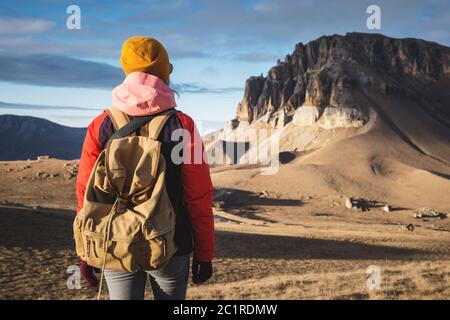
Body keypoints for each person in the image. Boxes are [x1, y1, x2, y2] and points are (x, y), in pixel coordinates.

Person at [75, 36, 214, 300]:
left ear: (126, 70)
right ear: (164, 75)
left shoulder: (101, 124)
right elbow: (198, 196)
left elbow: (85, 193)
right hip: (171, 245)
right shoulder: (182, 125)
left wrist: (86, 250)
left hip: (115, 244)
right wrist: (204, 254)